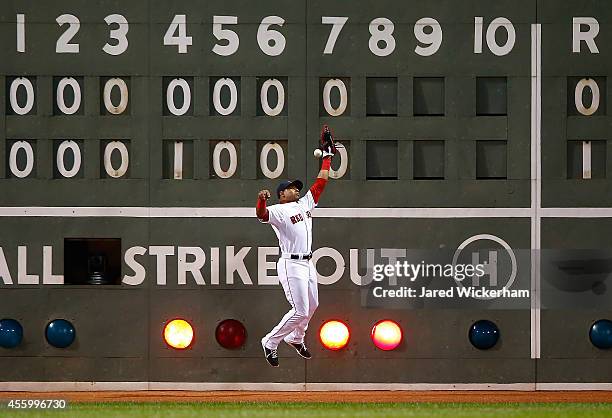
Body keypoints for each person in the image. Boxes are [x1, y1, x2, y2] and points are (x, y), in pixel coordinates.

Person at [256, 125, 336, 367]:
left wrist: (328, 157)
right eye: (291, 187)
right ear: (282, 194)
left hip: (307, 262)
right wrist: (261, 200)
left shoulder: (304, 203)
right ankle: (270, 342)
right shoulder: (279, 210)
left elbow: (321, 184)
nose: (296, 189)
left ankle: (296, 337)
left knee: (313, 305)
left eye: (296, 187)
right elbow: (261, 216)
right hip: (291, 264)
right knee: (300, 310)